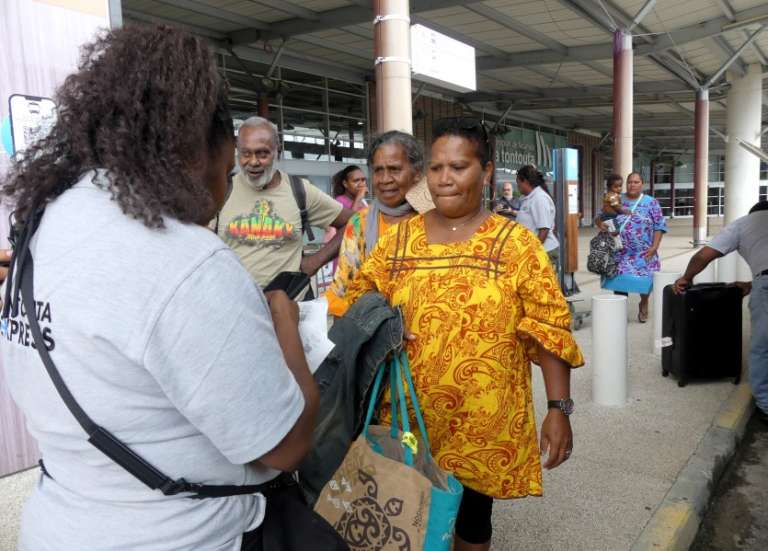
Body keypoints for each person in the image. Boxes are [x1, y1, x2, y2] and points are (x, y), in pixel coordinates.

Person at [0, 26, 318, 551]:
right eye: (229, 164)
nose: (227, 183)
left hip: (60, 521)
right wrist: (286, 329)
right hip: (183, 537)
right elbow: (285, 446)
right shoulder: (183, 260)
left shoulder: (45, 222)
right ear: (205, 146)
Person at [343, 117, 584, 551]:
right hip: (406, 417)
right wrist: (386, 327)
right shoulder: (399, 243)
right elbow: (360, 304)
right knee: (405, 518)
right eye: (436, 168)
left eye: (458, 167)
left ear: (486, 172)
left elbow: (550, 328)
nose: (445, 179)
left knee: (473, 522)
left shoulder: (516, 245)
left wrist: (558, 408)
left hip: (483, 423)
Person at [216, 116, 354, 291]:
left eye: (262, 153)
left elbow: (356, 222)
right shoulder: (221, 191)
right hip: (237, 305)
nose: (253, 162)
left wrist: (315, 262)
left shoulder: (300, 191)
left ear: (277, 152)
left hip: (290, 306)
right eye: (246, 153)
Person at [673, 200, 768, 422]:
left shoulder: (743, 224)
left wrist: (686, 278)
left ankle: (765, 404)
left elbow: (703, 256)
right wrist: (753, 284)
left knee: (762, 347)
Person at [325, 131, 423, 318]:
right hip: (376, 332)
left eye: (394, 169)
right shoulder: (360, 222)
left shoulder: (433, 218)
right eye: (378, 170)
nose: (385, 179)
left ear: (416, 174)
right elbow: (345, 288)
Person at [598, 171, 667, 323]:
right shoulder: (616, 199)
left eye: (636, 182)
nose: (632, 185)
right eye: (630, 182)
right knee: (619, 280)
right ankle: (620, 310)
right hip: (620, 251)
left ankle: (643, 303)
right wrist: (601, 225)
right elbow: (600, 217)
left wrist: (655, 246)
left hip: (644, 251)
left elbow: (659, 226)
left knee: (644, 281)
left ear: (642, 184)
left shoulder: (651, 202)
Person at [324, 165, 369, 273]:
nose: (361, 184)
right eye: (356, 180)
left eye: (363, 180)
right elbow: (350, 226)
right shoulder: (339, 202)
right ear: (345, 184)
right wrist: (358, 198)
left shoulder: (363, 203)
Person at [516, 165, 559, 266]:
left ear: (525, 182)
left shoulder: (539, 198)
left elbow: (544, 230)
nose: (518, 187)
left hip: (544, 251)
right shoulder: (530, 198)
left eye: (518, 184)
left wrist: (532, 254)